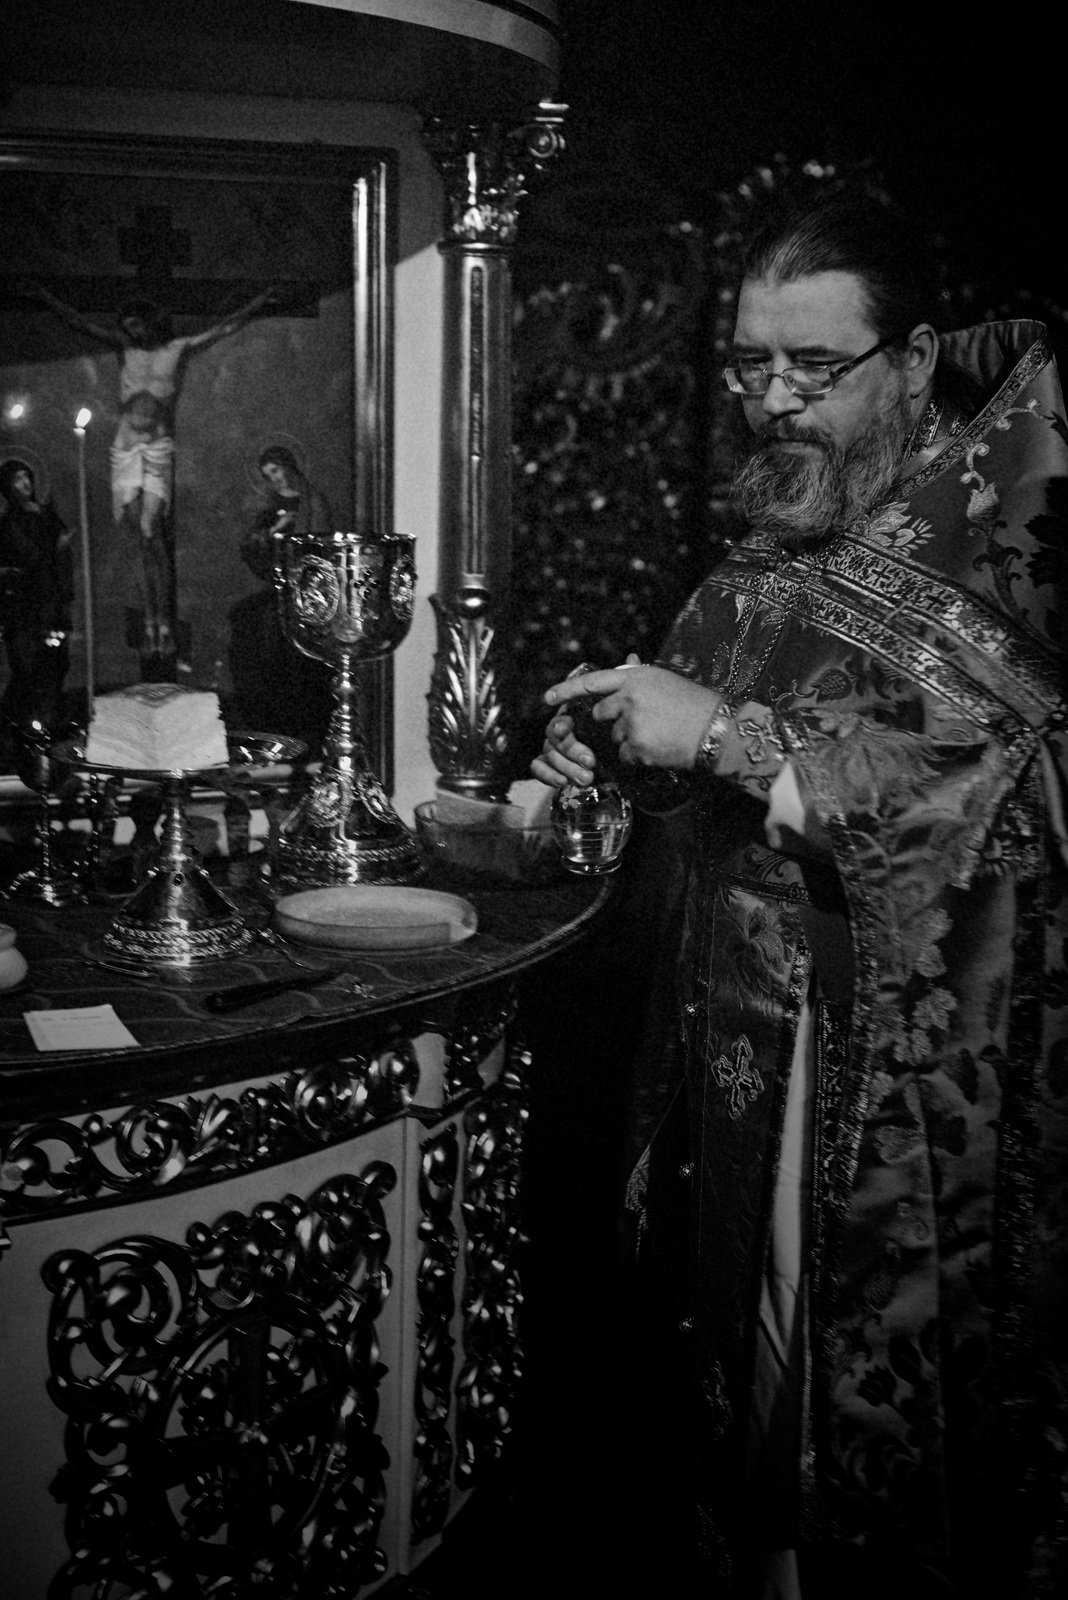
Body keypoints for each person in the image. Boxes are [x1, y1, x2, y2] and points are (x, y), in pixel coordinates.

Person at [532, 195, 1068, 1598]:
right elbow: (699, 785)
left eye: (813, 368)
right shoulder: (760, 561)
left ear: (914, 357)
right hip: (731, 1060)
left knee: (832, 1413)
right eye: (750, 366)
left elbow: (1001, 797)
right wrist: (621, 756)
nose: (773, 401)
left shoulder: (989, 558)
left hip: (876, 1088)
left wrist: (721, 735)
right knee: (740, 1409)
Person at [27, 284, 276, 661]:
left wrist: (257, 303)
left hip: (157, 449)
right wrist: (46, 298)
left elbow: (224, 328)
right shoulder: (124, 349)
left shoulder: (177, 349)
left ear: (150, 322)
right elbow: (80, 324)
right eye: (127, 327)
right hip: (126, 449)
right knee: (140, 540)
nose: (132, 332)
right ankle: (151, 622)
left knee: (151, 533)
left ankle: (162, 620)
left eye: (136, 325)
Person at [226, 445, 334, 743]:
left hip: (307, 587)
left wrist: (291, 540)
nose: (274, 478)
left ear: (288, 466)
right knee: (248, 623)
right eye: (267, 475)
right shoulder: (271, 505)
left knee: (285, 637)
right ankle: (266, 713)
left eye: (275, 470)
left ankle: (301, 718)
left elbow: (320, 545)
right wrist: (275, 530)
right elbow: (254, 543)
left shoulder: (313, 501)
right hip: (277, 584)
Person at [0, 457, 74, 736]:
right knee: (27, 670)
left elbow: (61, 555)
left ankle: (48, 725)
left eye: (26, 476)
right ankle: (19, 729)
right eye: (17, 479)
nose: (24, 483)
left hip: (51, 605)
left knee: (55, 665)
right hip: (23, 609)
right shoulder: (8, 523)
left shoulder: (47, 515)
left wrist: (62, 550)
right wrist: (56, 548)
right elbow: (24, 558)